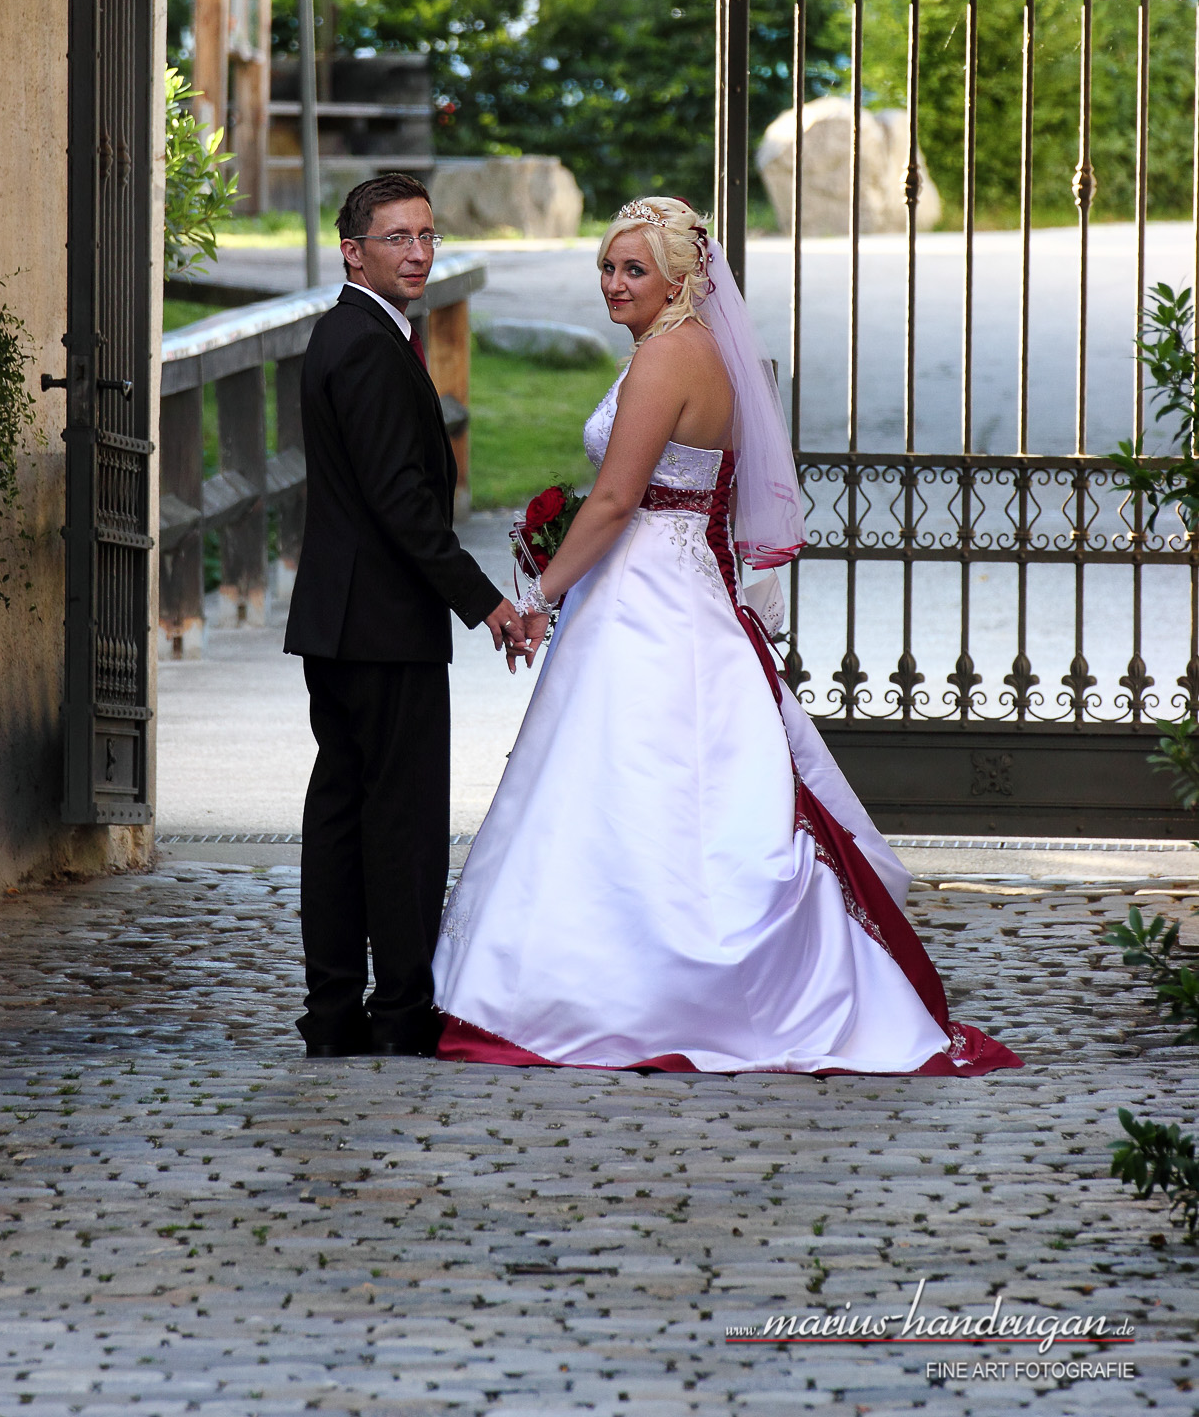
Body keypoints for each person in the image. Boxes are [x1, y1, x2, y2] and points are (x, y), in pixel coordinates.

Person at [432, 197, 1020, 1076]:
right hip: (680, 585)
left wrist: (541, 592)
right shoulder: (705, 353)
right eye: (607, 265)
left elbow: (618, 500)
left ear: (684, 277)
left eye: (635, 269)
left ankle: (612, 989)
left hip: (646, 596)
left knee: (623, 777)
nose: (613, 283)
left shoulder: (667, 358)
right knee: (666, 780)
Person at [283, 172, 528, 1059]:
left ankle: (336, 1013)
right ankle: (397, 1014)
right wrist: (485, 602)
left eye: (426, 236)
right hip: (382, 627)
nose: (418, 252)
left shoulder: (358, 335)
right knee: (401, 823)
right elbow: (400, 504)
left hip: (345, 624)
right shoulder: (364, 345)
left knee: (346, 815)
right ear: (353, 251)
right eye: (396, 238)